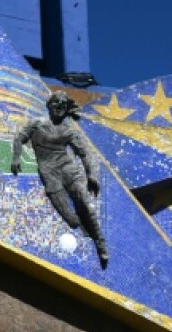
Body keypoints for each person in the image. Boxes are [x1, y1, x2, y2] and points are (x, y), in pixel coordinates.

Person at [11, 91, 108, 266]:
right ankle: (86, 229)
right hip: (49, 172)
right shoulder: (37, 124)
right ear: (49, 105)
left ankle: (100, 242)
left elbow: (84, 154)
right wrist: (16, 158)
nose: (59, 107)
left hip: (69, 169)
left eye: (63, 105)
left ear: (66, 109)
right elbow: (19, 138)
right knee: (71, 220)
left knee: (85, 202)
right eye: (56, 103)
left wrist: (91, 174)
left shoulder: (68, 130)